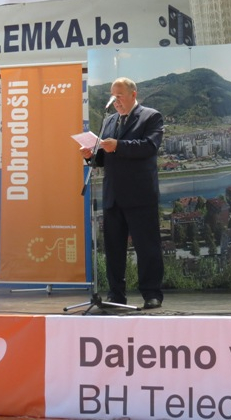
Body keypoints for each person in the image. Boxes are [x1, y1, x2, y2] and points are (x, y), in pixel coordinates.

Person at [80, 77, 165, 310]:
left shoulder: (151, 117)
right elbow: (103, 160)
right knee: (114, 249)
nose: (115, 101)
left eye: (119, 96)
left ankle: (152, 293)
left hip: (140, 195)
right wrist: (90, 156)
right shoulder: (109, 121)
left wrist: (118, 145)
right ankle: (116, 295)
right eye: (113, 96)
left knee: (147, 247)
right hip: (113, 195)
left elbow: (149, 147)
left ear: (133, 94)